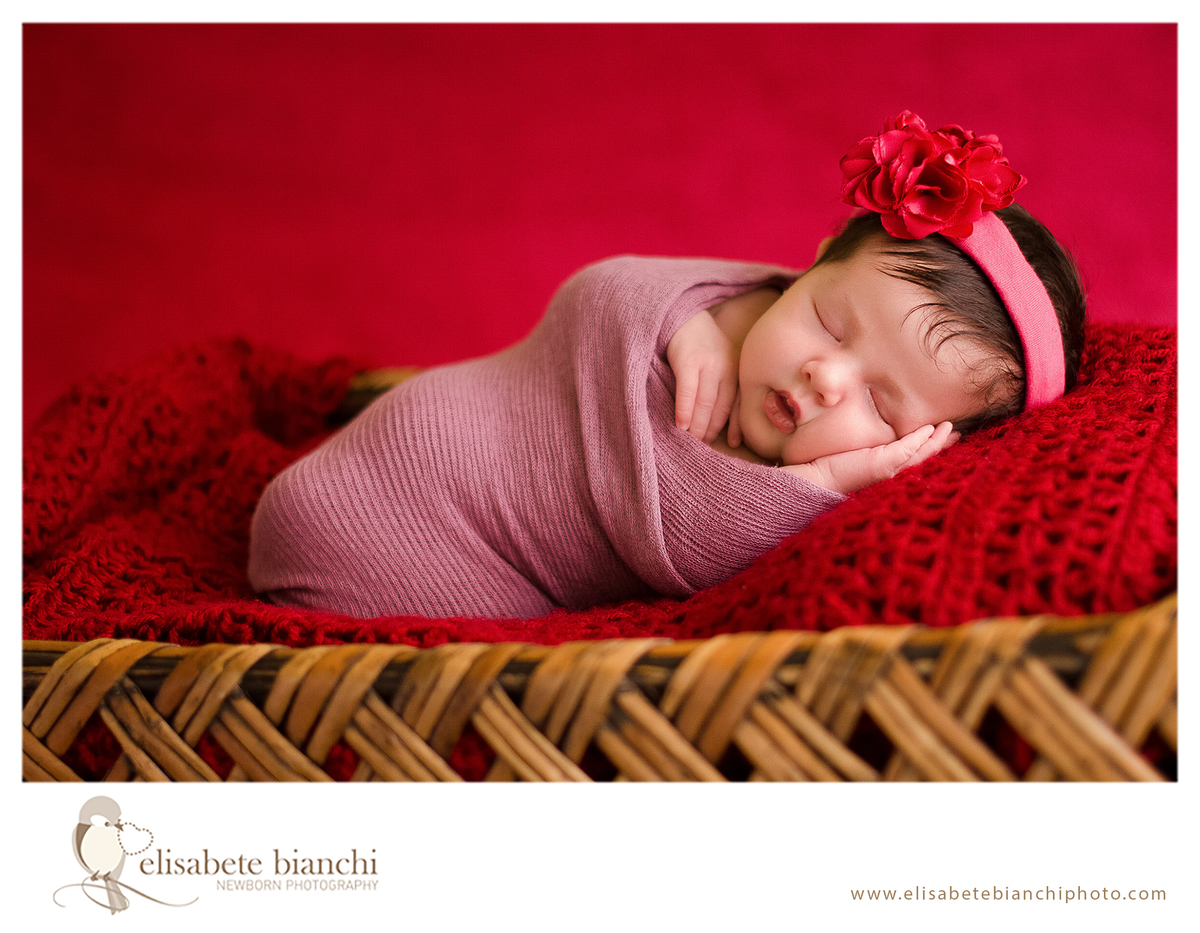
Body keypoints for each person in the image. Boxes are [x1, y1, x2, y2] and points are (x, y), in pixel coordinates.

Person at [248, 111, 1085, 620]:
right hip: (411, 497)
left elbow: (686, 541)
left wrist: (828, 490)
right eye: (830, 321)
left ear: (927, 447)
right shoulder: (735, 303)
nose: (827, 378)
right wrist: (684, 323)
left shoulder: (815, 476)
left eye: (881, 403)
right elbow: (597, 290)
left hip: (469, 547)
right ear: (815, 261)